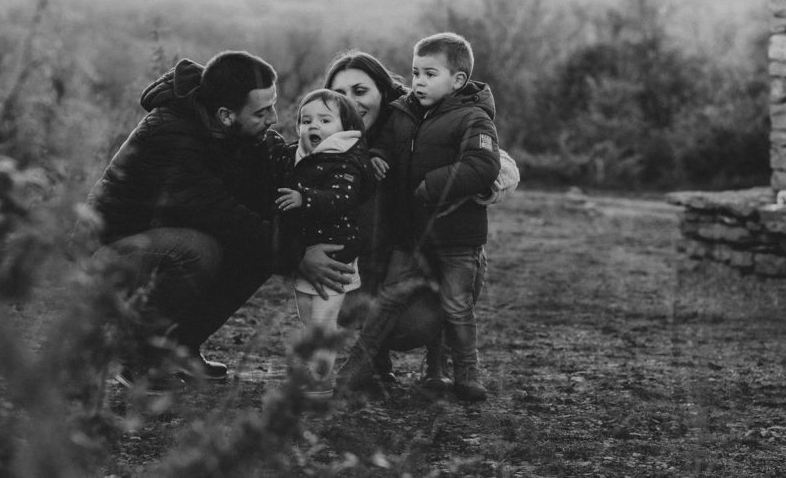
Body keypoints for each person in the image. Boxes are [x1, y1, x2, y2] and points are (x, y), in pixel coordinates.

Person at [88, 51, 353, 389]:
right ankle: (139, 359)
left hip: (164, 240)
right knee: (201, 251)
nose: (273, 118)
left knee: (259, 250)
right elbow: (217, 213)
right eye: (261, 112)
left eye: (272, 105)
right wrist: (300, 257)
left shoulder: (239, 133)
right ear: (226, 115)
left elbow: (269, 198)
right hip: (112, 252)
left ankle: (179, 349)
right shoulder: (170, 133)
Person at [338, 33, 500, 402]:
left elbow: (484, 164)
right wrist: (379, 155)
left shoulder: (473, 118)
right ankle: (357, 366)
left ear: (457, 80)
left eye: (430, 74)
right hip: (410, 236)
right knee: (389, 299)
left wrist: (433, 185)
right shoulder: (404, 113)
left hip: (457, 239)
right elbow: (390, 146)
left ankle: (464, 372)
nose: (420, 82)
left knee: (458, 305)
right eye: (415, 73)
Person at [272, 88, 374, 397]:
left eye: (324, 119)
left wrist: (305, 198)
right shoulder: (301, 157)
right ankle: (312, 369)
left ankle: (320, 380)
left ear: (345, 128)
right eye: (306, 120)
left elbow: (341, 199)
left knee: (322, 321)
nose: (313, 126)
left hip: (336, 256)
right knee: (307, 316)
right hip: (305, 252)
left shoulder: (347, 161)